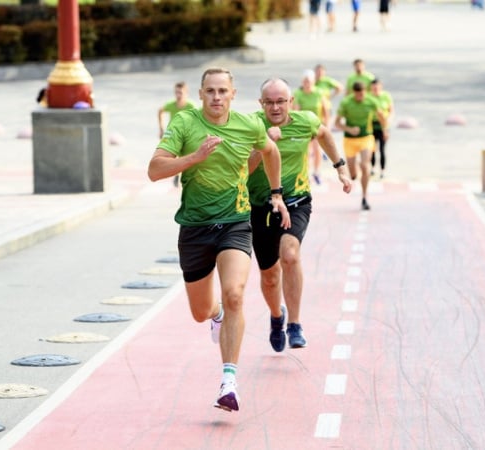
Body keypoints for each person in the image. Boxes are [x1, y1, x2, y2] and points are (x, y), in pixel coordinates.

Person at [147, 67, 290, 413]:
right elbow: (154, 170)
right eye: (210, 91)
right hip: (195, 227)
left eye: (222, 91)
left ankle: (229, 380)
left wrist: (276, 193)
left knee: (236, 294)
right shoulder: (185, 123)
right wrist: (194, 158)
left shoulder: (248, 125)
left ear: (232, 94)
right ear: (200, 94)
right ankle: (216, 315)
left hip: (235, 223)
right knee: (201, 312)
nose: (216, 97)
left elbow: (270, 151)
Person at [248, 78, 352, 352]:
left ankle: (294, 323)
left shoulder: (305, 120)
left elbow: (325, 134)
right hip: (259, 206)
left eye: (281, 101)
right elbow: (242, 170)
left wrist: (340, 166)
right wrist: (264, 144)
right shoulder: (250, 125)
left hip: (296, 201)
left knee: (290, 254)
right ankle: (276, 315)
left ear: (291, 102)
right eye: (269, 102)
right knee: (269, 276)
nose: (275, 107)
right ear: (261, 104)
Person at [334, 81, 388, 210]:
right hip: (350, 140)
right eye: (358, 95)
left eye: (362, 95)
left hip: (366, 138)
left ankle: (364, 197)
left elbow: (381, 116)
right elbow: (337, 123)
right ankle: (354, 171)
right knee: (353, 175)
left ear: (366, 92)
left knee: (365, 165)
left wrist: (385, 129)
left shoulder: (371, 101)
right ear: (354, 93)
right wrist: (349, 129)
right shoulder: (346, 102)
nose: (360, 97)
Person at [293, 69, 330, 184]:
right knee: (305, 151)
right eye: (305, 81)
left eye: (309, 81)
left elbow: (325, 110)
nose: (307, 84)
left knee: (317, 149)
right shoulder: (298, 93)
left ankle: (317, 172)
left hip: (317, 125)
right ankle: (305, 173)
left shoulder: (319, 92)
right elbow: (296, 110)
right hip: (303, 126)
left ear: (313, 82)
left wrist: (326, 125)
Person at [158, 82, 196, 187]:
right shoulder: (171, 104)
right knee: (171, 155)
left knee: (185, 154)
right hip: (173, 133)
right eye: (176, 93)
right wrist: (161, 128)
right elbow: (160, 111)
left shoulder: (191, 105)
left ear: (186, 93)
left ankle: (180, 174)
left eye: (180, 93)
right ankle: (177, 173)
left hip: (186, 133)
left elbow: (198, 118)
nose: (178, 95)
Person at [369, 79, 394, 179]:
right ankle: (372, 168)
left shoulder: (386, 96)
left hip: (383, 125)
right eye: (374, 87)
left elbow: (391, 111)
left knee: (382, 149)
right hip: (371, 125)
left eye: (377, 87)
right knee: (372, 149)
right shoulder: (369, 97)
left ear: (381, 86)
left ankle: (383, 170)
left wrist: (388, 124)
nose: (375, 89)